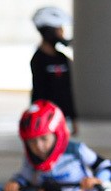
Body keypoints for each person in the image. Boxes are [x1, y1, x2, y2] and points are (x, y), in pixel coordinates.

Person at [30, 6, 77, 135]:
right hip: (45, 120)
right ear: (49, 31)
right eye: (59, 28)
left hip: (62, 120)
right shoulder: (39, 59)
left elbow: (67, 91)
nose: (62, 32)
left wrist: (73, 119)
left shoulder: (62, 58)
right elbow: (39, 91)